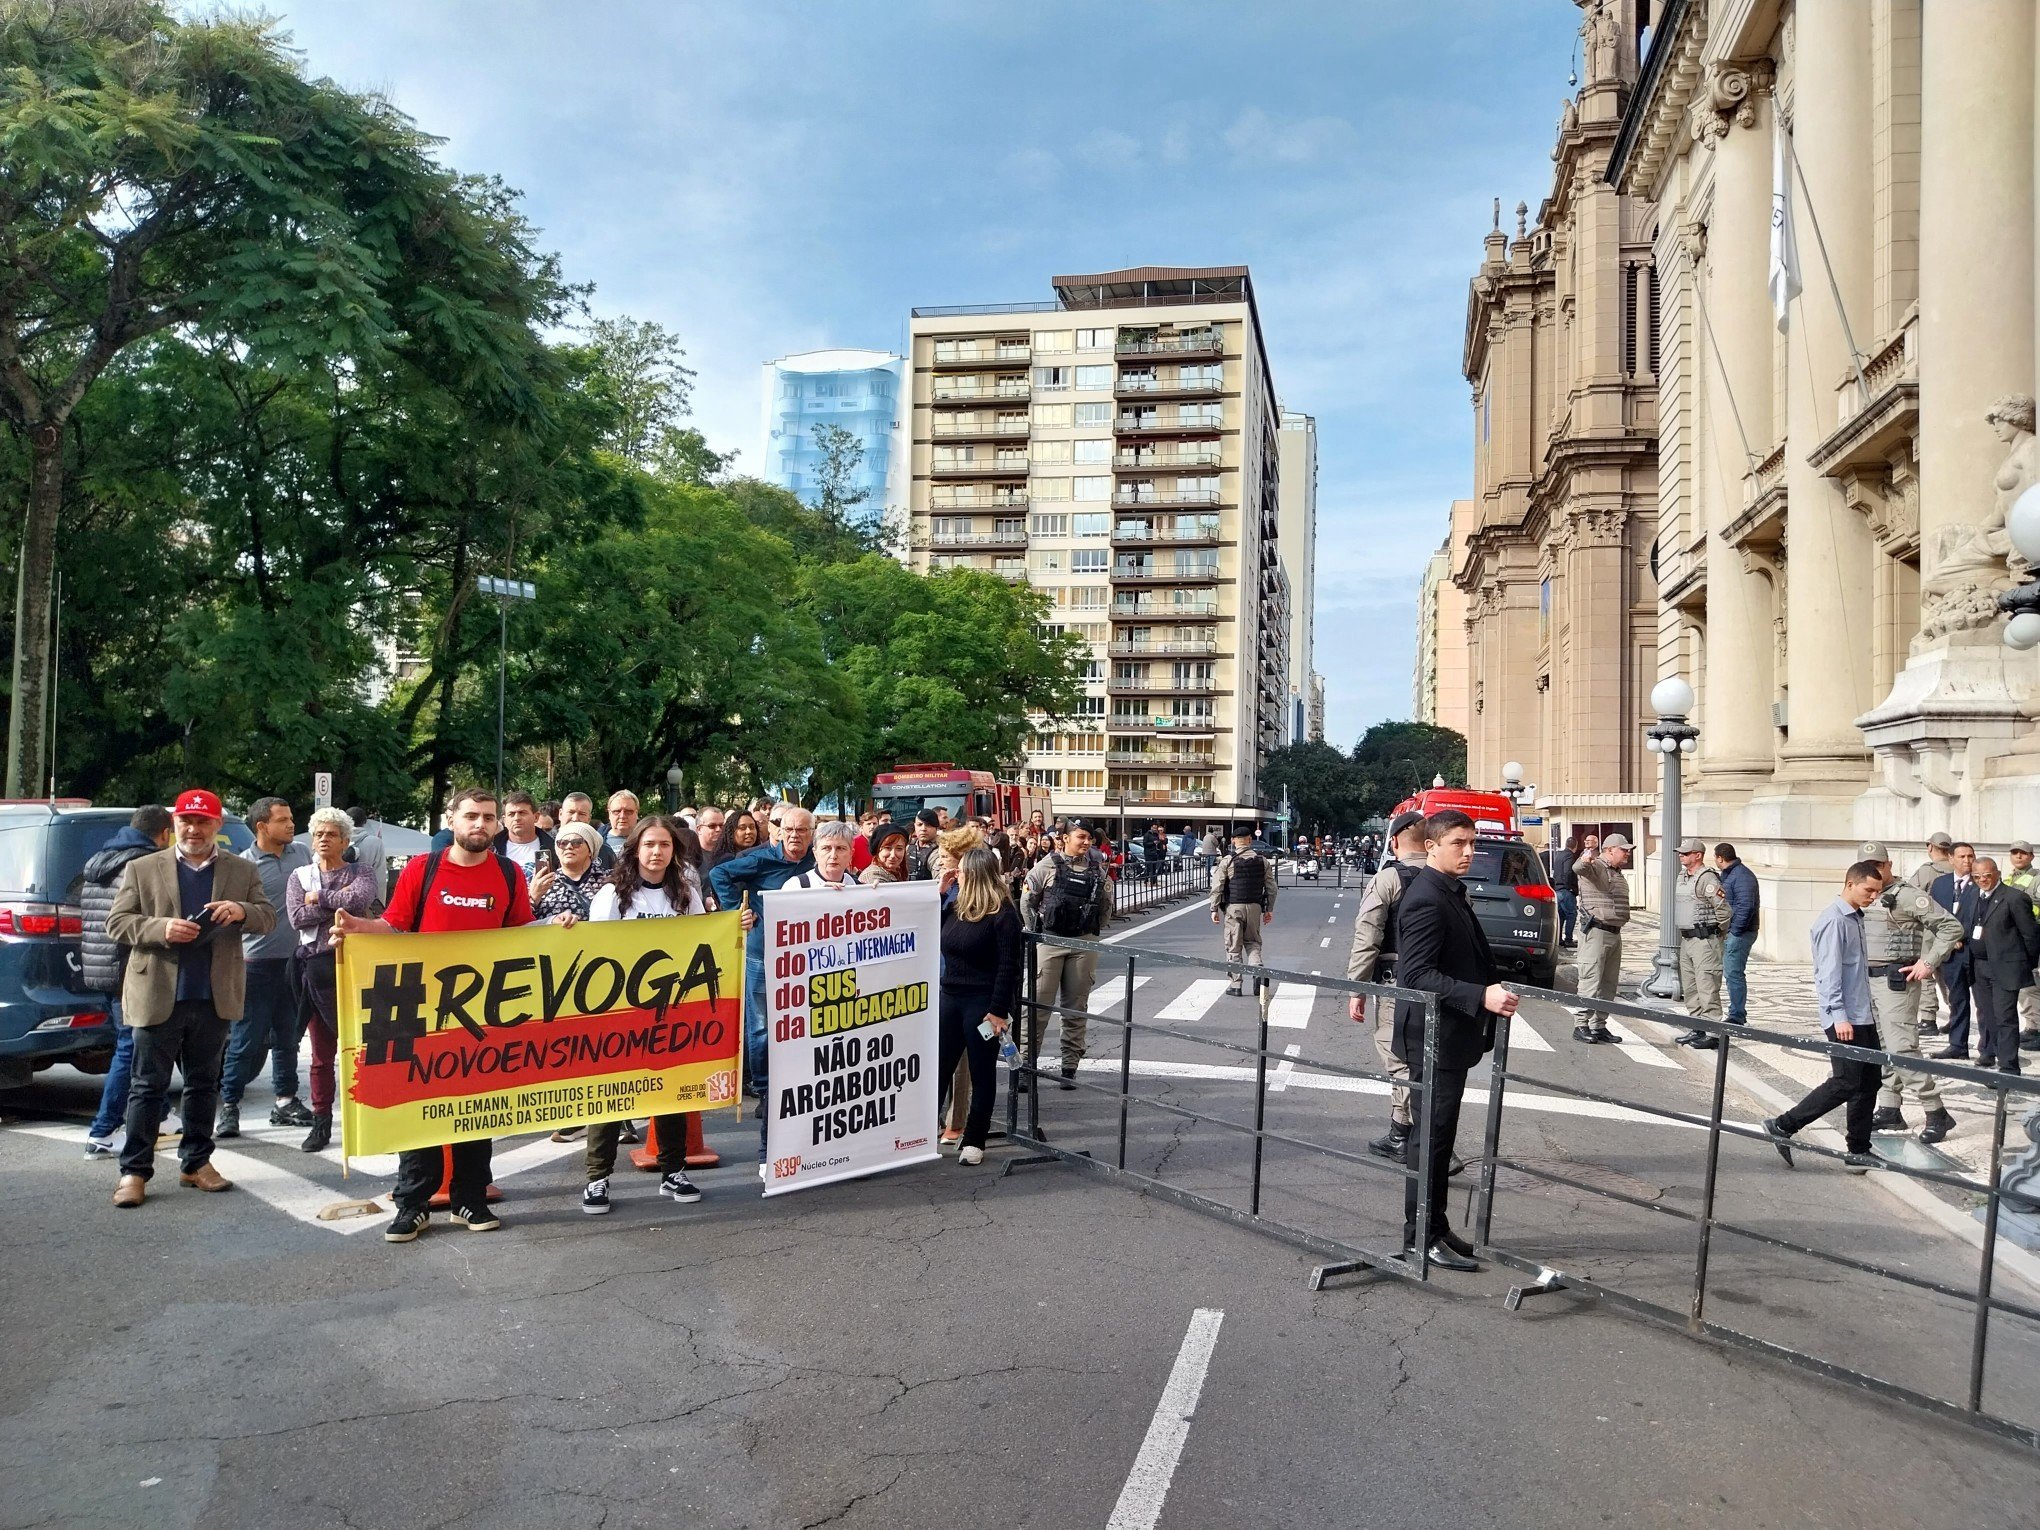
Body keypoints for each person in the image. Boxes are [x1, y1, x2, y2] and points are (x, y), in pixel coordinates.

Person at [332, 787, 535, 1242]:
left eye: (487, 817)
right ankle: (412, 1205)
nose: (479, 825)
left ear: (498, 825)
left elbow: (523, 935)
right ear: (452, 820)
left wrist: (557, 930)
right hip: (419, 1006)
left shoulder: (508, 874)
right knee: (418, 1106)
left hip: (483, 1011)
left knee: (476, 1107)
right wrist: (355, 929)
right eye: (470, 816)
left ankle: (470, 1197)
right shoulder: (422, 870)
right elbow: (393, 926)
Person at [104, 788, 278, 1209]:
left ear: (217, 826)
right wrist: (160, 929)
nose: (194, 829)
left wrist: (240, 911)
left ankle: (195, 1163)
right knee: (147, 1087)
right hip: (158, 990)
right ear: (173, 825)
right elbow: (117, 923)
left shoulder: (241, 869)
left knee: (204, 1085)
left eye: (203, 822)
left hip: (213, 993)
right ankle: (134, 1171)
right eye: (186, 821)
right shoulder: (143, 868)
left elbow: (267, 917)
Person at [1390, 809, 1518, 1270]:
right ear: (1431, 846)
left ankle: (1437, 1227)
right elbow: (1417, 975)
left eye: (1472, 843)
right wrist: (1480, 994)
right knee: (1430, 1141)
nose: (1469, 852)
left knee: (1440, 1140)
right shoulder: (1426, 896)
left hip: (1449, 1038)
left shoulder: (1449, 890)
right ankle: (1420, 1237)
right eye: (1459, 844)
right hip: (1433, 1039)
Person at [580, 814, 705, 1214]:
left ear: (674, 851)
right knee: (610, 1096)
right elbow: (597, 954)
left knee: (671, 1091)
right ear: (635, 848)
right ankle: (597, 1179)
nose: (657, 852)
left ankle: (673, 1170)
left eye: (664, 845)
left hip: (672, 1010)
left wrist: (735, 926)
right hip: (620, 1011)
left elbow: (705, 940)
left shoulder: (684, 893)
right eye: (649, 844)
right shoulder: (613, 895)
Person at [1763, 862, 1890, 1175]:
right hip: (1845, 1018)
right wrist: (1838, 1016)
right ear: (1849, 884)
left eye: (1877, 891)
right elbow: (1827, 974)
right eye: (1868, 890)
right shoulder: (1834, 920)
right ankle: (1783, 1125)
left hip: (1863, 1014)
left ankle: (1858, 1151)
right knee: (1846, 1081)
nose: (1873, 896)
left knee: (1870, 1081)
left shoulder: (1854, 917)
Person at [707, 805, 816, 1128]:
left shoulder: (816, 860)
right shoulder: (759, 859)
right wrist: (736, 913)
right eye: (789, 830)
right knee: (762, 1026)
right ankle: (766, 1090)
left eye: (802, 831)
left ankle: (798, 1081)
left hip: (803, 957)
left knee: (802, 1022)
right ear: (779, 831)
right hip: (762, 953)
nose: (795, 836)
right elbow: (718, 874)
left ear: (812, 835)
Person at [284, 808, 380, 1154]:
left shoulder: (361, 871)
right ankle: (321, 1122)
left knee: (364, 1049)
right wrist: (333, 904)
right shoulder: (300, 876)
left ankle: (372, 1117)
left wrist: (321, 898)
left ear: (344, 840)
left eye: (331, 834)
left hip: (355, 969)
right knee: (322, 1055)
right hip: (314, 970)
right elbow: (297, 917)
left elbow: (359, 899)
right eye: (319, 834)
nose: (324, 839)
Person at [80, 806, 174, 1157]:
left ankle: (161, 1114)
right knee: (131, 1046)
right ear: (164, 834)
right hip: (128, 968)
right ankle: (102, 1131)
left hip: (100, 967)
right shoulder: (142, 864)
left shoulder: (101, 860)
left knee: (143, 1041)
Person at [219, 796, 312, 1140]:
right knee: (246, 1039)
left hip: (294, 963)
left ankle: (285, 1101)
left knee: (288, 1037)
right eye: (283, 820)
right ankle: (229, 1107)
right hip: (255, 964)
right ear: (262, 826)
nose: (291, 824)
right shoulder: (242, 866)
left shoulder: (301, 854)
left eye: (291, 818)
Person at [1856, 842, 1961, 1142]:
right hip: (1869, 980)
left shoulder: (1908, 895)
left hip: (1896, 981)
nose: (1874, 870)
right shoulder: (1865, 893)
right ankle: (1889, 1109)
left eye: (1879, 864)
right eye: (1868, 865)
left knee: (1902, 1048)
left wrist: (1927, 962)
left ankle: (1936, 1110)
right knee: (1883, 1045)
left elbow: (1950, 928)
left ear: (1889, 864)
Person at [1345, 810, 1428, 1160]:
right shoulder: (1447, 879)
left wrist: (1357, 988)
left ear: (1393, 842)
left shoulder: (1388, 879)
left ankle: (1406, 1135)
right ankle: (1416, 1133)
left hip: (1399, 986)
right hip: (1441, 988)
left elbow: (1367, 937)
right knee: (1426, 1060)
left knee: (1399, 1059)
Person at [939, 846, 1023, 1166]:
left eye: (960, 869)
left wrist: (999, 1010)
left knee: (981, 1070)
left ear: (974, 873)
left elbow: (1008, 968)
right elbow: (929, 930)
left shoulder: (1003, 915)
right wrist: (940, 893)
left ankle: (975, 1138)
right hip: (950, 997)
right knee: (940, 1066)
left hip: (983, 1004)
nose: (955, 872)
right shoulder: (954, 905)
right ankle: (921, 1130)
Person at [1019, 819, 1111, 1091]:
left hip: (1084, 945)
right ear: (1065, 838)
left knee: (1075, 1008)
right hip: (1050, 942)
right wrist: (1036, 933)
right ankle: (1026, 1066)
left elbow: (1106, 906)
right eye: (1081, 837)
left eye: (1089, 839)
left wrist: (1091, 933)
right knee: (1035, 1007)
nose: (1086, 843)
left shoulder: (1097, 870)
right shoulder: (1045, 866)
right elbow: (1027, 901)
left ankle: (1069, 1067)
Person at [1967, 856, 2040, 1077]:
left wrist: (2024, 965)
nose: (1982, 880)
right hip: (1980, 967)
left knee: (2005, 1017)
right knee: (1988, 1016)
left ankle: (2009, 1068)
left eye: (1987, 876)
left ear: (1997, 874)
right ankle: (1997, 1058)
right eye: (1977, 876)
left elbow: (2031, 935)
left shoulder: (2014, 898)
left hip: (2006, 968)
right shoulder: (1973, 896)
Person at [1570, 832, 1632, 1043]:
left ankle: (1599, 1025)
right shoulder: (1596, 866)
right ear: (1609, 850)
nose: (1627, 853)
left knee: (1608, 984)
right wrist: (1585, 858)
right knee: (1591, 979)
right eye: (1624, 850)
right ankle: (1581, 1024)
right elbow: (1579, 868)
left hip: (1614, 933)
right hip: (1596, 932)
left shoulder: (1616, 871)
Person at [1670, 838, 1730, 1050]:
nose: (1681, 856)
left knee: (1707, 985)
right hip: (1687, 940)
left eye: (1686, 853)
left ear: (1698, 855)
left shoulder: (1707, 878)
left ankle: (1713, 1032)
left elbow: (1724, 911)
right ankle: (1698, 1027)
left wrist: (1716, 935)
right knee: (1691, 986)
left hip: (1705, 940)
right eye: (1680, 853)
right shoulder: (1683, 876)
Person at [1930, 844, 1983, 1061]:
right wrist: (1948, 942)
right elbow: (1932, 916)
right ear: (1951, 858)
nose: (1967, 860)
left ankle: (1988, 1048)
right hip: (1951, 954)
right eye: (1962, 856)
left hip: (1975, 952)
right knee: (1957, 1000)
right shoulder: (1940, 884)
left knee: (1983, 1004)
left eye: (1971, 856)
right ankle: (1958, 1045)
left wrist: (1962, 939)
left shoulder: (1981, 882)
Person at [1210, 825, 1276, 997]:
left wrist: (1214, 908)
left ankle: (1236, 985)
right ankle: (1257, 972)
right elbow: (1271, 888)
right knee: (1253, 942)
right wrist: (1268, 909)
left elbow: (1217, 886)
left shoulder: (1227, 861)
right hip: (1255, 907)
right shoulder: (1262, 860)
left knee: (1233, 945)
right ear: (1250, 840)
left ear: (1233, 841)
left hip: (1233, 908)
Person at [1912, 831, 1957, 1037]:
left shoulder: (1927, 871)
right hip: (1954, 930)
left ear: (1930, 847)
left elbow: (1911, 895)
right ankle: (1956, 1015)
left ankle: (1928, 1020)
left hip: (1931, 931)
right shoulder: (1958, 869)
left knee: (1927, 973)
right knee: (1950, 977)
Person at [1714, 842, 1760, 1027]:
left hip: (1740, 933)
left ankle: (1737, 1015)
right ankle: (1735, 1013)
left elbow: (1746, 906)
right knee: (1730, 972)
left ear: (1720, 858)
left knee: (1734, 973)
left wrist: (1734, 931)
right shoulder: (1730, 874)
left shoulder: (1742, 876)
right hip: (1733, 932)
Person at [2005, 840, 2040, 1051]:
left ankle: (2036, 1027)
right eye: (2015, 853)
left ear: (2031, 856)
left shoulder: (2036, 878)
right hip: (2013, 936)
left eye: (2023, 853)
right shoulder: (2009, 878)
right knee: (2022, 985)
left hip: (2032, 933)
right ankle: (2031, 1025)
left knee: (2031, 985)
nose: (2018, 856)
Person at [532, 822, 605, 921]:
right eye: (563, 843)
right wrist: (534, 897)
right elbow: (522, 921)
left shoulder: (610, 880)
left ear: (590, 850)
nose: (569, 847)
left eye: (577, 842)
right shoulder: (540, 882)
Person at [494, 789, 555, 881]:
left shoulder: (552, 847)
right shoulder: (492, 848)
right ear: (504, 820)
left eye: (522, 813)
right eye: (511, 814)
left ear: (536, 817)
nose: (517, 818)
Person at [785, 820, 860, 890]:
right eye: (826, 848)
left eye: (840, 848)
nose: (833, 856)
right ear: (815, 853)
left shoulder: (857, 887)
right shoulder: (796, 886)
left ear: (851, 854)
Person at [558, 792, 617, 872]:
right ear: (560, 814)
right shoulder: (546, 846)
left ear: (589, 818)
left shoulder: (603, 850)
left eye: (582, 814)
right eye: (571, 812)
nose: (575, 818)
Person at [346, 806, 388, 901]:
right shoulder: (375, 843)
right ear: (365, 821)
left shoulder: (337, 840)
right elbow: (380, 878)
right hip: (365, 901)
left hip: (338, 900)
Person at [1544, 832, 1578, 949]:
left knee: (1561, 915)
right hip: (1566, 890)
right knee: (1572, 914)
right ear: (1575, 846)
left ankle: (1558, 939)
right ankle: (1568, 939)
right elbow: (1568, 871)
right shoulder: (1569, 856)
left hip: (1557, 889)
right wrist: (1570, 887)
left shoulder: (1559, 855)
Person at [906, 809, 942, 880]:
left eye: (928, 825)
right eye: (919, 824)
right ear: (915, 826)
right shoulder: (909, 847)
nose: (923, 829)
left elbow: (940, 879)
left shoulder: (941, 850)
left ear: (936, 827)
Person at [604, 790, 641, 859]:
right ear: (609, 814)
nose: (622, 816)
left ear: (636, 813)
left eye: (628, 811)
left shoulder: (647, 839)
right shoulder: (596, 841)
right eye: (617, 811)